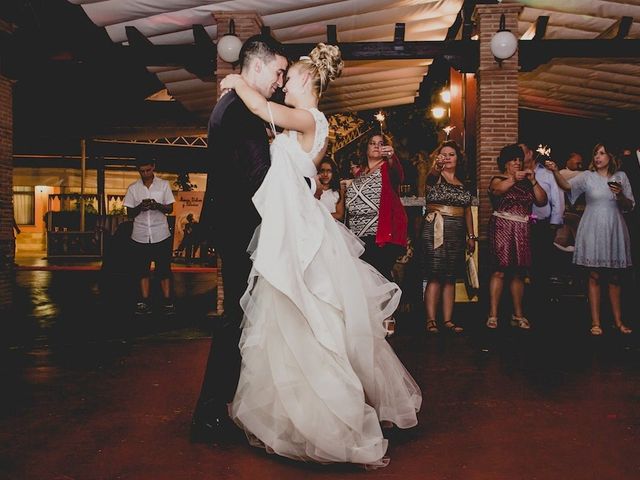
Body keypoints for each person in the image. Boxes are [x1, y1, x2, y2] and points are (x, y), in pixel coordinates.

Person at [218, 43, 421, 467]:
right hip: (290, 226)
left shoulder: (310, 118)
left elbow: (259, 109)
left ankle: (334, 419)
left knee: (314, 320)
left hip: (303, 235)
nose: (281, 85)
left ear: (306, 80)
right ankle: (297, 417)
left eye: (286, 78)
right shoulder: (299, 125)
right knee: (293, 320)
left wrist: (238, 81)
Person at [190, 35, 290, 443]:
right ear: (259, 65)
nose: (281, 81)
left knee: (242, 319)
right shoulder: (243, 114)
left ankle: (222, 408)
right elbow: (258, 179)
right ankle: (210, 414)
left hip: (232, 226)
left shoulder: (230, 104)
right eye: (279, 71)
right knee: (236, 321)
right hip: (242, 230)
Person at [545, 143, 634, 336]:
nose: (597, 157)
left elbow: (629, 205)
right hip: (592, 226)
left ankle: (618, 321)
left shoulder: (621, 177)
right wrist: (554, 171)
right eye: (595, 154)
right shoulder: (587, 176)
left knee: (614, 276)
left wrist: (620, 196)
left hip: (614, 227)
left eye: (602, 153)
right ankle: (596, 322)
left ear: (610, 156)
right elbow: (567, 186)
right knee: (594, 275)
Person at [486, 144, 547, 330]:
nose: (517, 163)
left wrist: (534, 181)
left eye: (519, 160)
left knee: (519, 272)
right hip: (502, 226)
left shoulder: (528, 183)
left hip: (522, 228)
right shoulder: (498, 178)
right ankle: (493, 314)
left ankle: (518, 314)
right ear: (505, 163)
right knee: (500, 270)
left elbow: (542, 201)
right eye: (514, 160)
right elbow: (497, 190)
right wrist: (513, 178)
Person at [421, 140, 475, 334]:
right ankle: (431, 320)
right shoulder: (435, 176)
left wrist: (471, 236)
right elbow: (429, 179)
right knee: (435, 274)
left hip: (457, 230)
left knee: (451, 276)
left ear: (458, 158)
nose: (448, 158)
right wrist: (436, 166)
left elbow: (467, 211)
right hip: (436, 227)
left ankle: (448, 320)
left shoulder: (463, 182)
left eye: (452, 154)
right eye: (444, 154)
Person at [345, 132, 408, 282]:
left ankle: (391, 304)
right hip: (359, 236)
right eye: (372, 143)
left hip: (382, 235)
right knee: (365, 281)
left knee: (379, 278)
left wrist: (392, 157)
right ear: (365, 148)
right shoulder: (360, 173)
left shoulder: (387, 168)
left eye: (381, 143)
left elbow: (398, 175)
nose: (376, 146)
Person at [122, 157, 176, 315]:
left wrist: (156, 205)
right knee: (142, 271)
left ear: (153, 167)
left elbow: (170, 209)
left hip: (161, 234)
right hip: (140, 235)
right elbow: (129, 213)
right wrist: (141, 207)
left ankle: (167, 302)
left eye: (148, 170)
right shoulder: (133, 188)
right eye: (142, 171)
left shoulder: (164, 185)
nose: (145, 174)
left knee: (164, 270)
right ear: (138, 170)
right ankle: (143, 302)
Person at [519, 141, 564, 308]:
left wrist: (554, 222)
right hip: (521, 225)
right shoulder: (518, 174)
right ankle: (524, 302)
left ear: (531, 153)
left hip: (541, 225)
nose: (519, 156)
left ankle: (541, 301)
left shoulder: (546, 174)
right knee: (523, 264)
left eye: (522, 152)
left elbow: (557, 199)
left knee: (541, 264)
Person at [553, 151, 584, 252]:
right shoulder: (561, 173)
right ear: (568, 161)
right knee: (561, 241)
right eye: (577, 162)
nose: (580, 165)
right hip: (566, 213)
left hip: (580, 214)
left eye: (581, 163)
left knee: (581, 243)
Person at [317, 157, 345, 221]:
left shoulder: (338, 191)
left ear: (333, 173)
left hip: (333, 225)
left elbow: (339, 214)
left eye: (329, 171)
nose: (325, 174)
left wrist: (320, 216)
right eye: (322, 171)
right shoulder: (314, 190)